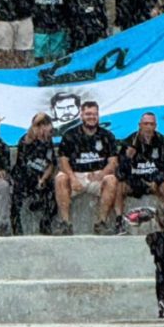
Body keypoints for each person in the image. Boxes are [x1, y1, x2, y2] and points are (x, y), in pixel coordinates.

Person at [53, 101, 119, 235]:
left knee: (111, 179)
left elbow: (113, 162)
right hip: (77, 175)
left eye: (95, 114)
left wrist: (101, 175)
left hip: (98, 175)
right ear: (81, 115)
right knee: (60, 178)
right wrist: (72, 178)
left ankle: (101, 223)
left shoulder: (107, 136)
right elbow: (63, 161)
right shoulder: (70, 135)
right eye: (88, 114)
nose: (92, 117)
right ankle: (66, 223)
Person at [114, 112, 164, 234]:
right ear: (139, 125)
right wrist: (127, 158)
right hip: (134, 181)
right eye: (146, 124)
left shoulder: (162, 141)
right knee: (119, 185)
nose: (148, 127)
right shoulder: (128, 142)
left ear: (155, 126)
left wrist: (156, 180)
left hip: (153, 181)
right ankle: (119, 221)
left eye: (151, 124)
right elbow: (119, 172)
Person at [10, 112, 56, 235]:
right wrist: (39, 119)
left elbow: (51, 164)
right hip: (23, 176)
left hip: (39, 178)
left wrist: (43, 179)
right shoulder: (27, 139)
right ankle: (16, 225)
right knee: (16, 196)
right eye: (44, 129)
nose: (46, 133)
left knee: (54, 190)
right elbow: (32, 131)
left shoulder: (48, 143)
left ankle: (45, 222)